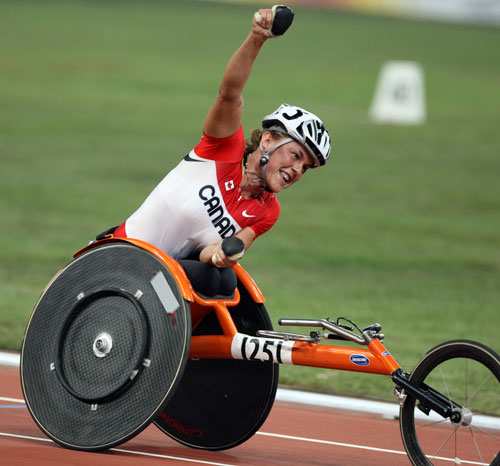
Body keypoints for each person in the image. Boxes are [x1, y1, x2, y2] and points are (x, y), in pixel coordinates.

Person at [111, 7, 331, 296]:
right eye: (296, 155)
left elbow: (207, 254)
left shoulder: (267, 211)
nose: (298, 170)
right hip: (117, 258)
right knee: (217, 281)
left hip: (158, 284)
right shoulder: (223, 148)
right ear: (267, 141)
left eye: (306, 167)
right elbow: (230, 94)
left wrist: (219, 254)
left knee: (223, 281)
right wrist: (257, 37)